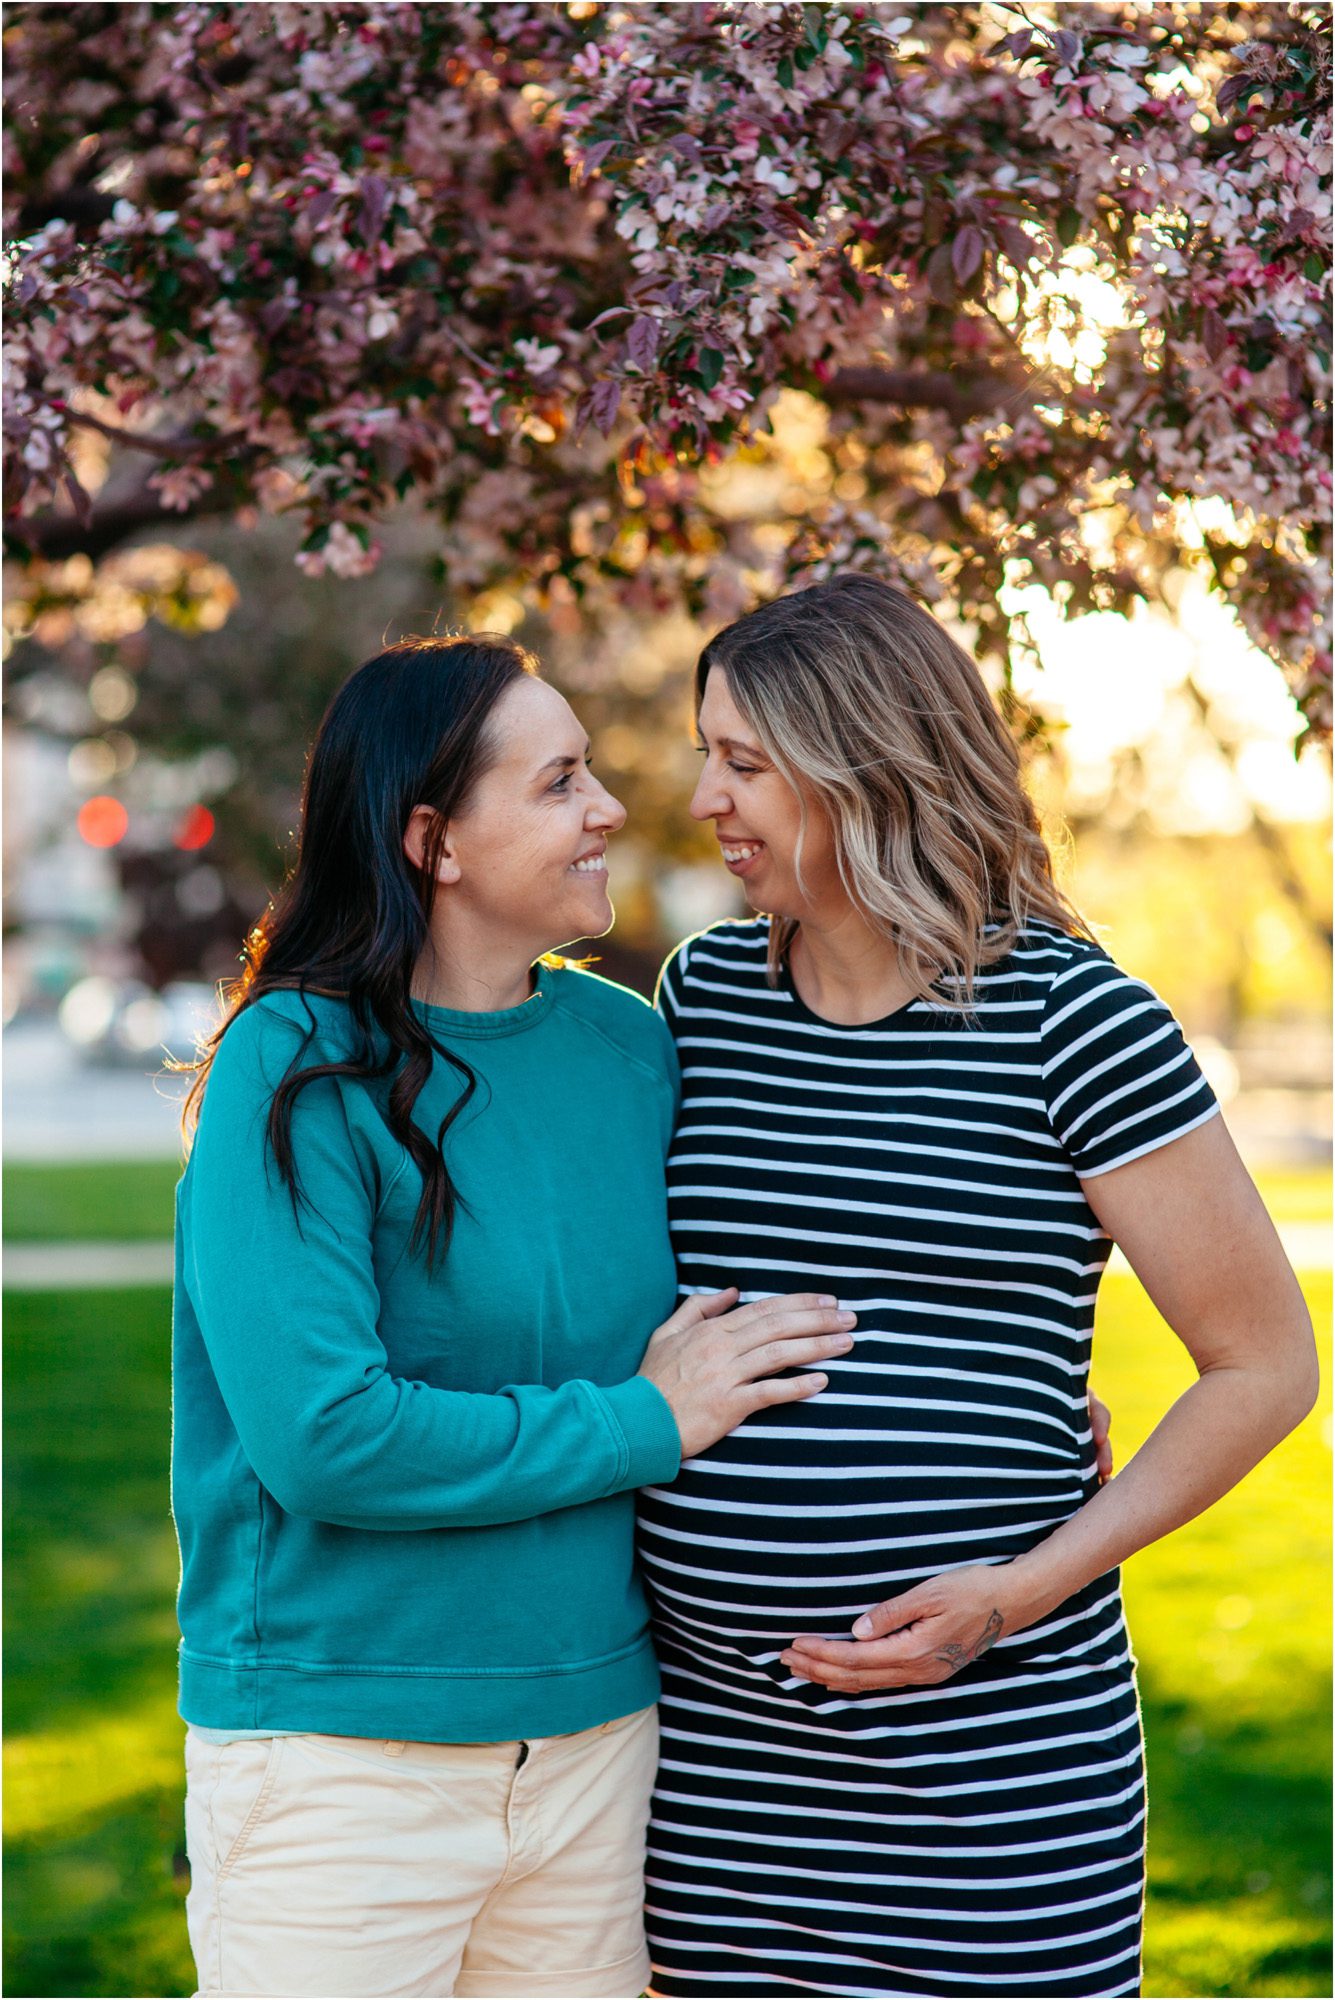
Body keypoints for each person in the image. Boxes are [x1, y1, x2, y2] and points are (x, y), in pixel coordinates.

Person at [638, 574, 1318, 1999]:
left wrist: (1017, 1589)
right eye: (709, 752)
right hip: (715, 1776)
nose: (707, 795)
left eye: (745, 763)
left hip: (990, 1783)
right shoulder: (700, 1001)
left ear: (864, 765)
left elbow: (1264, 1366)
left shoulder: (1078, 1020)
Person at [171, 633, 857, 2000]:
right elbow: (325, 1439)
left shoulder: (630, 1049)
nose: (610, 806)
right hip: (338, 1766)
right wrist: (641, 1423)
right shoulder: (294, 1068)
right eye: (558, 784)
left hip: (603, 1747)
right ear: (434, 839)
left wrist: (998, 1405)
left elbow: (758, 1271)